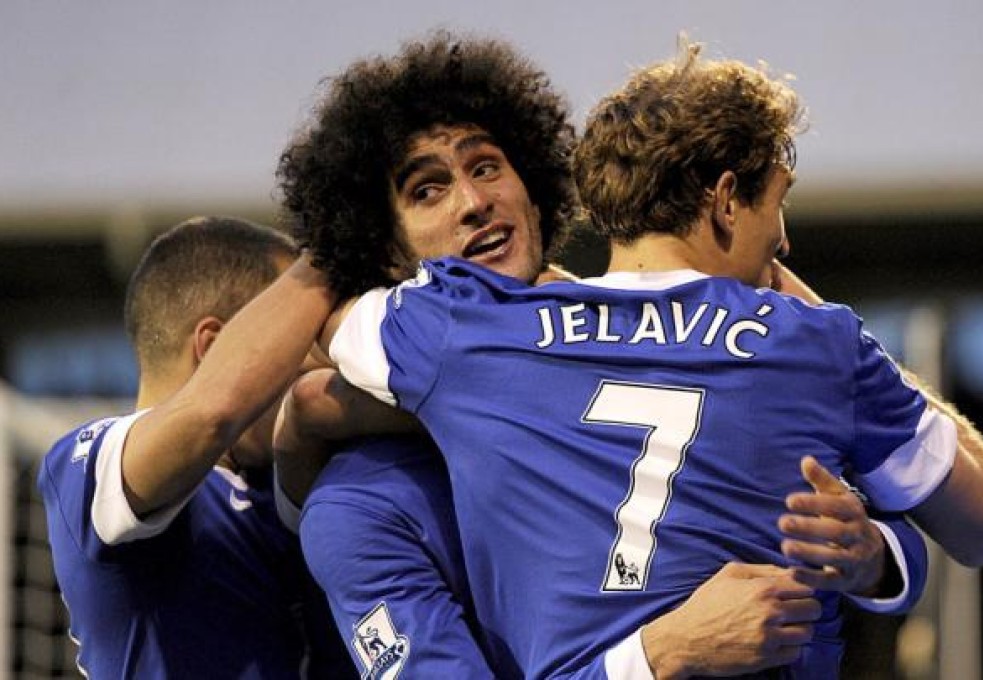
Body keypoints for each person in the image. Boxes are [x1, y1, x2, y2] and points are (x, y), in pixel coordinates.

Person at [275, 32, 933, 678]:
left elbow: (881, 529)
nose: (474, 203)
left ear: (533, 188)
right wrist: (656, 656)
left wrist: (872, 555)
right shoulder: (359, 510)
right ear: (383, 250)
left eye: (486, 167)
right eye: (427, 191)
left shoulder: (670, 350)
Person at [37, 216, 358, 678]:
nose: (315, 367)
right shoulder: (86, 468)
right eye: (303, 345)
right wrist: (341, 238)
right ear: (214, 346)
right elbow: (211, 413)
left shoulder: (285, 479)